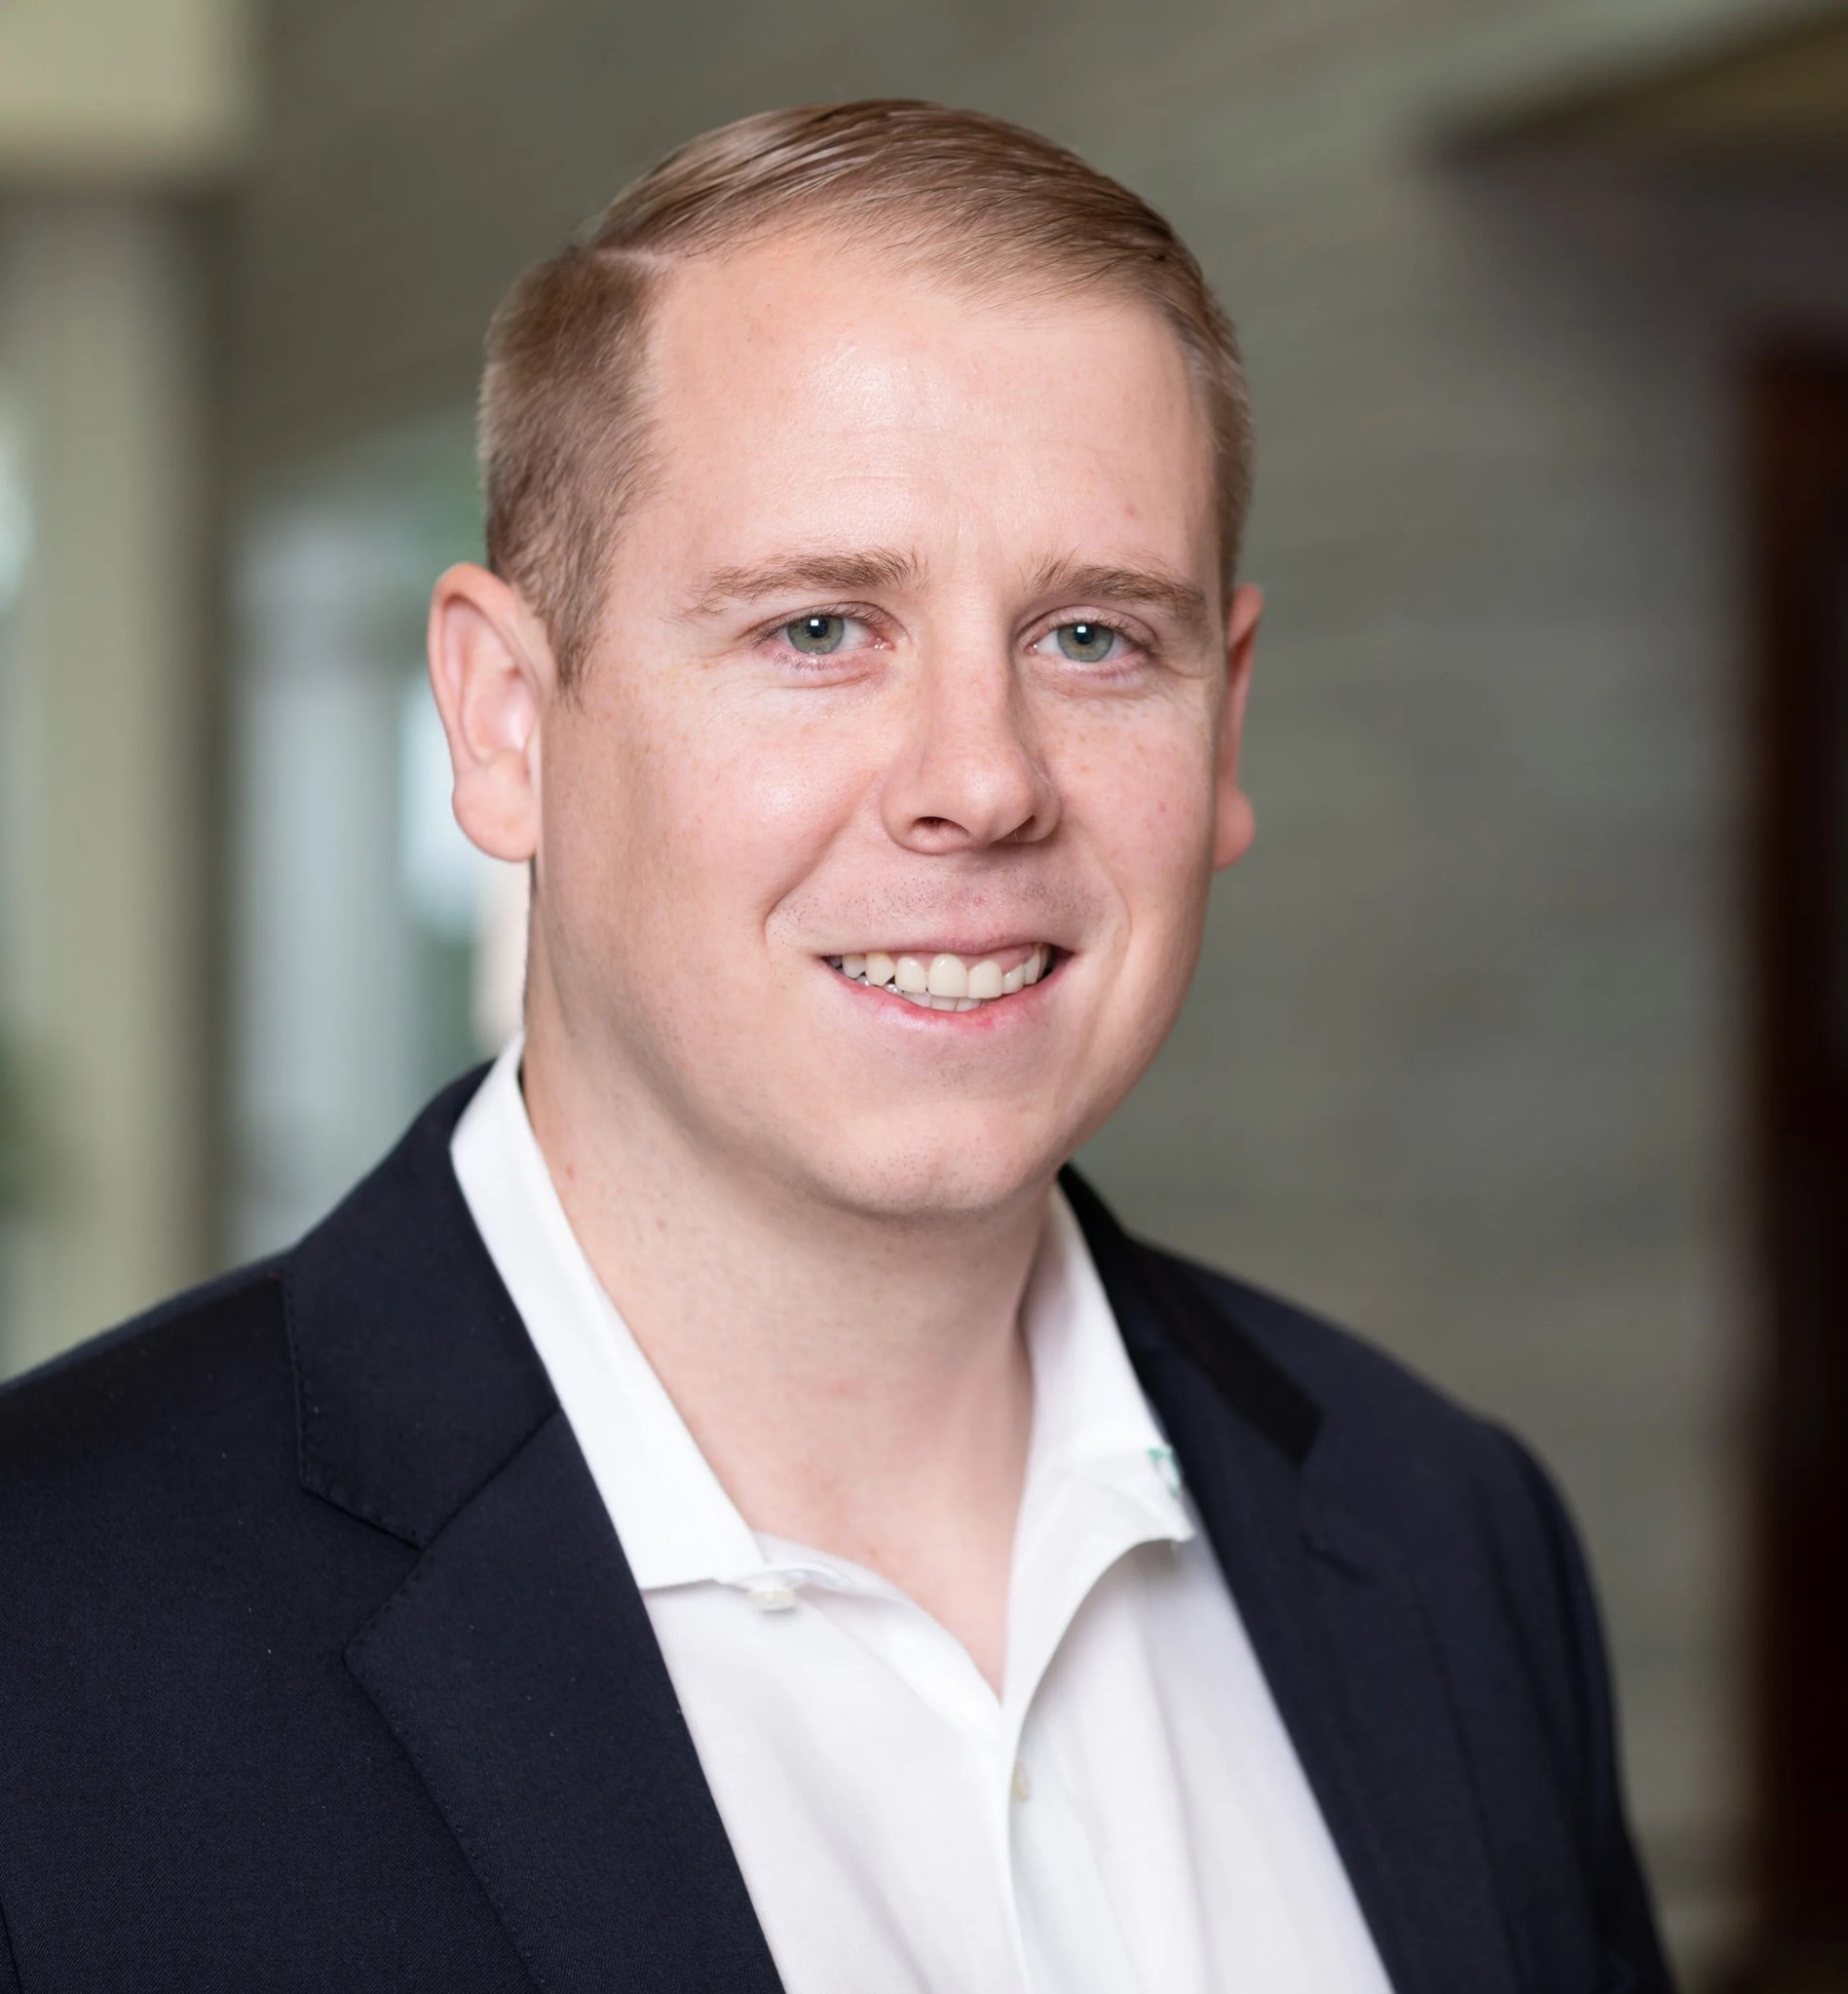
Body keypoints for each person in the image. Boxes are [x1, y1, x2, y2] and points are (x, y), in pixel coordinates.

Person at [0, 100, 1673, 1993]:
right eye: (816, 627)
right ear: (501, 722)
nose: (980, 780)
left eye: (1096, 639)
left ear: (1225, 726)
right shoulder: (46, 1631)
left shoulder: (1444, 1533)